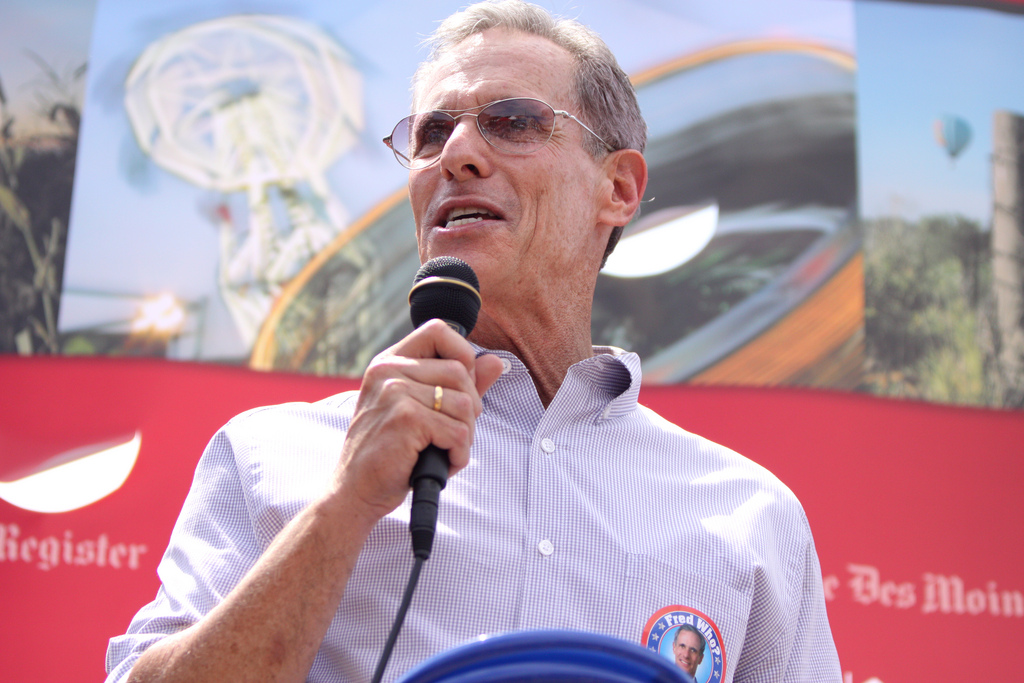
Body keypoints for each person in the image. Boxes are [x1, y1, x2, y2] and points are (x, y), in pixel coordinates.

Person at [105, 2, 842, 682]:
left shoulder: (751, 514)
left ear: (618, 188)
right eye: (431, 133)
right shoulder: (271, 455)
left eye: (513, 121)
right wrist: (344, 505)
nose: (456, 152)